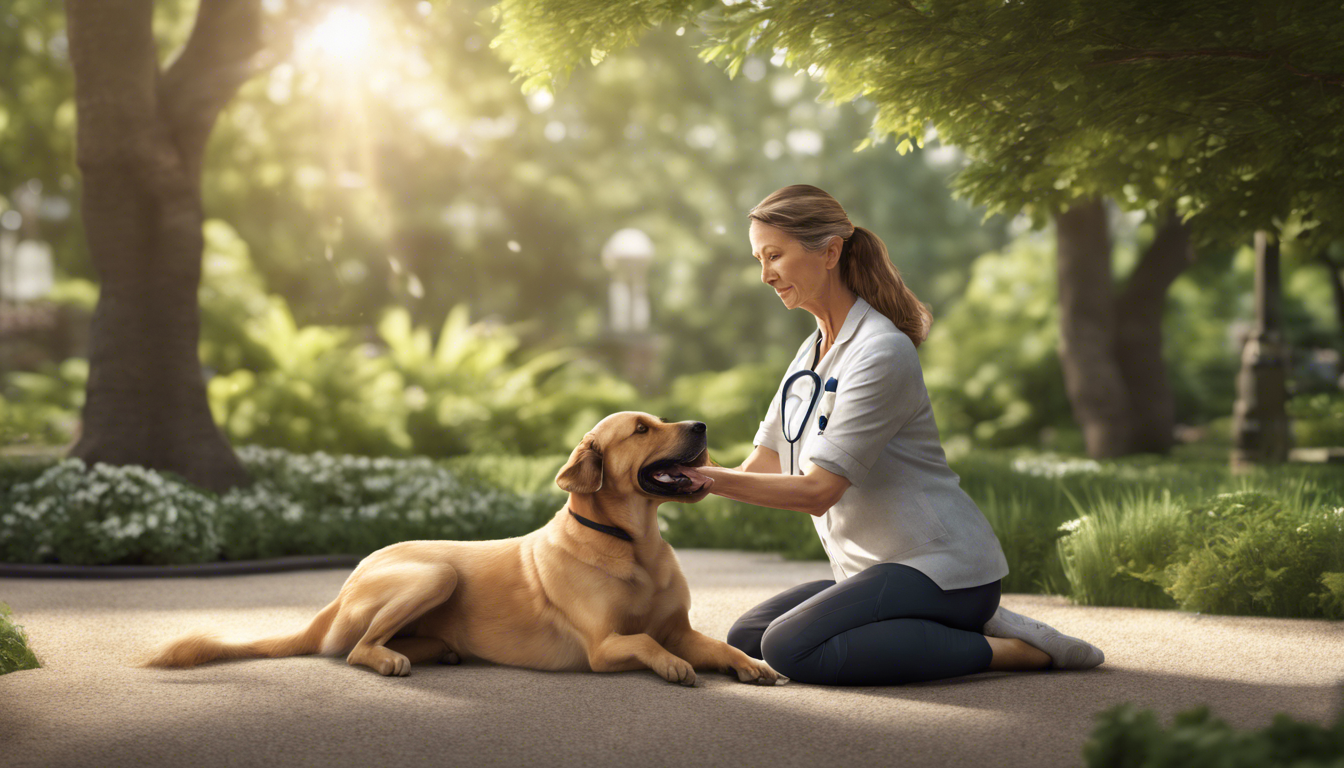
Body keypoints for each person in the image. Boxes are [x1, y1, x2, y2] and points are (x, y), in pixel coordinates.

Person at [693, 184, 1105, 686]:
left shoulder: (881, 350)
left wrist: (706, 479)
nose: (765, 275)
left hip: (942, 568)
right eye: (760, 259)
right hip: (873, 571)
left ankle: (1010, 651)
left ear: (830, 251)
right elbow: (759, 470)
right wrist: (680, 472)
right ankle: (929, 626)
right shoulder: (808, 357)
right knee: (748, 638)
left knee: (789, 647)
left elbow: (819, 491)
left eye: (774, 255)